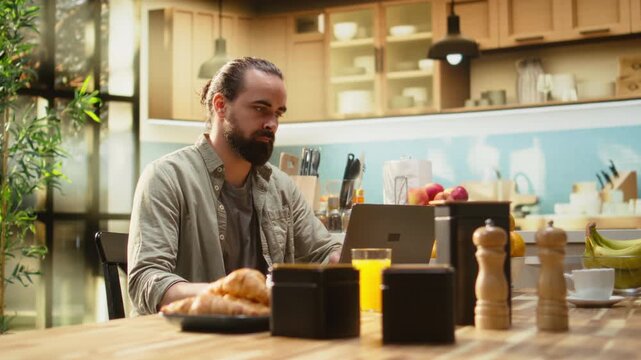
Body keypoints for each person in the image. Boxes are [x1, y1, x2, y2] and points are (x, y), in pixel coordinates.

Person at [128, 57, 341, 315]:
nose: (272, 123)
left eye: (278, 113)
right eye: (261, 108)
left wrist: (351, 259)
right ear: (221, 106)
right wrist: (230, 295)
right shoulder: (166, 178)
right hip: (187, 344)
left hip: (266, 340)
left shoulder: (282, 187)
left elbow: (324, 252)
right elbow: (146, 280)